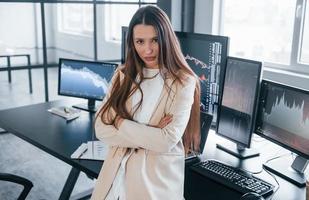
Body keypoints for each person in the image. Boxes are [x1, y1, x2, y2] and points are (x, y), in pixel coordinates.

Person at [91, 5, 201, 200]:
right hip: (113, 182)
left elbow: (166, 140)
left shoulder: (183, 82)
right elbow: (101, 128)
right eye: (140, 41)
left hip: (152, 188)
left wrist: (119, 122)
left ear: (166, 39)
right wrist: (150, 132)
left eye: (155, 40)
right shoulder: (122, 74)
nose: (147, 49)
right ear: (132, 43)